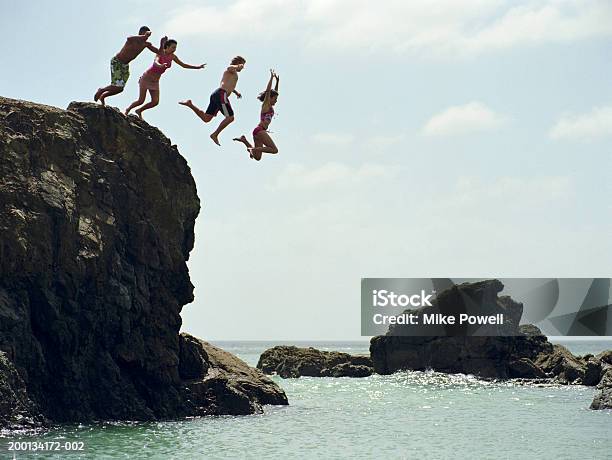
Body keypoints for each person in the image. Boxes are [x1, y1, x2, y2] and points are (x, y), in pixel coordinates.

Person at [124, 39, 205, 119]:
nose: (174, 50)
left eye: (175, 48)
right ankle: (127, 110)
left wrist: (197, 67)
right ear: (167, 46)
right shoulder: (160, 53)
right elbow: (155, 61)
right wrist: (160, 65)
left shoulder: (173, 57)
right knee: (141, 100)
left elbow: (183, 65)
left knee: (155, 102)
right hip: (146, 78)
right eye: (173, 47)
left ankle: (139, 110)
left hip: (155, 81)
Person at [179, 56, 246, 145]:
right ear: (238, 63)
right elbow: (230, 67)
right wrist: (238, 66)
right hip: (221, 94)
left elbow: (228, 84)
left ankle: (190, 104)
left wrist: (235, 92)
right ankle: (215, 134)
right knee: (230, 117)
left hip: (217, 95)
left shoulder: (233, 74)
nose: (243, 67)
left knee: (206, 119)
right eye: (243, 65)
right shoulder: (231, 70)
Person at [94, 26, 164, 106]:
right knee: (116, 85)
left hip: (125, 66)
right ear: (140, 33)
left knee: (120, 89)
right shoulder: (133, 40)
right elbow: (129, 38)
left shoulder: (146, 44)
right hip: (117, 62)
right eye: (145, 35)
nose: (147, 38)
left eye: (148, 36)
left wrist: (162, 44)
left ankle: (103, 96)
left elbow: (159, 52)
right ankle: (102, 90)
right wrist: (144, 36)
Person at [233, 69, 279, 161]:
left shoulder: (270, 105)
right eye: (275, 99)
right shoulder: (266, 105)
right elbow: (268, 92)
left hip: (257, 132)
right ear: (269, 98)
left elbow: (274, 92)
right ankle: (252, 149)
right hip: (260, 131)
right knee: (274, 150)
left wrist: (277, 82)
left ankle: (244, 141)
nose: (276, 101)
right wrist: (271, 78)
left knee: (257, 157)